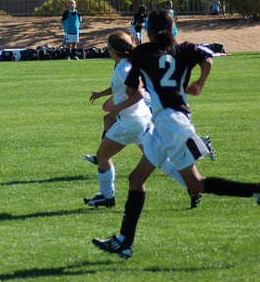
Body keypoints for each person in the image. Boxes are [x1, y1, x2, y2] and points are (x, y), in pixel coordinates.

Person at [92, 10, 260, 259]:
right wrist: (199, 83)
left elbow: (131, 88)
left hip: (168, 123)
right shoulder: (184, 49)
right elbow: (208, 57)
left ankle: (125, 242)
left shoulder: (142, 53)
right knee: (177, 182)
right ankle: (258, 190)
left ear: (148, 31)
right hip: (174, 120)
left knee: (153, 179)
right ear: (172, 29)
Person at [84, 31, 212, 210]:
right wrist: (103, 95)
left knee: (102, 156)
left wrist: (117, 107)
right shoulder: (127, 64)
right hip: (143, 119)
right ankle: (191, 186)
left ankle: (107, 196)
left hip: (130, 123)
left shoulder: (123, 68)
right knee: (159, 160)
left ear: (112, 50)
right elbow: (129, 86)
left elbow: (138, 92)